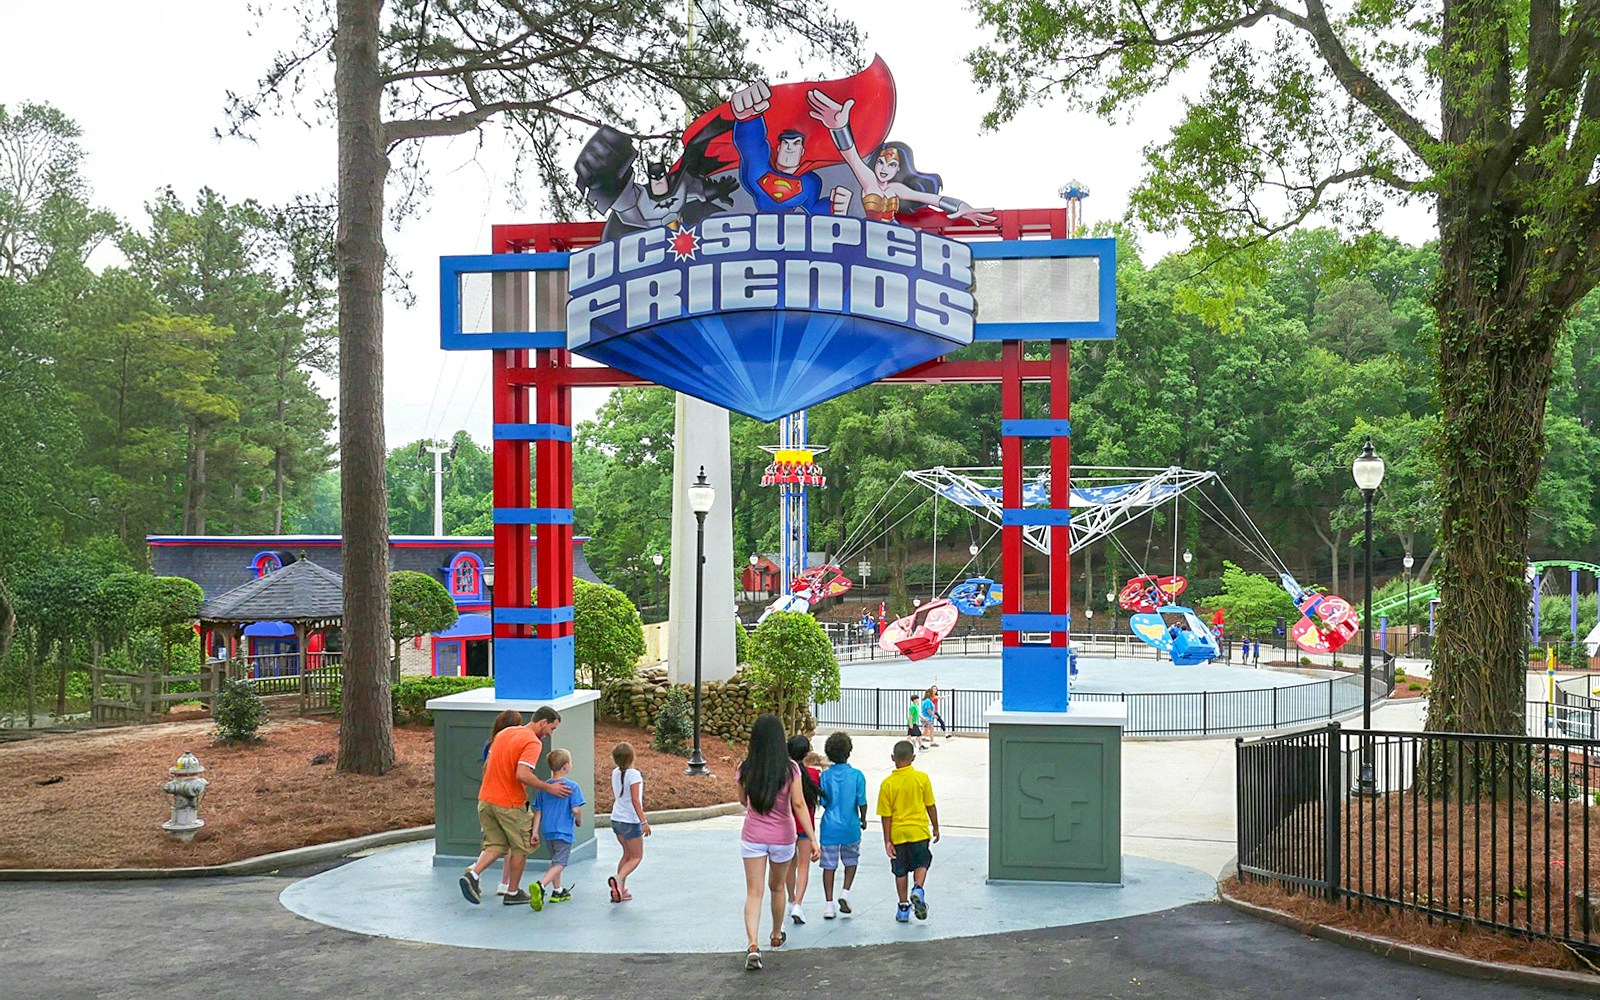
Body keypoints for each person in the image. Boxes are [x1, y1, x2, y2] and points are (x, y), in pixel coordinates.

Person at [459, 706, 570, 907]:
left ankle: (473, 875)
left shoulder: (504, 733)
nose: (550, 734)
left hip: (486, 799)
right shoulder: (532, 742)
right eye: (551, 729)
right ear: (543, 722)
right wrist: (548, 788)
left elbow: (486, 767)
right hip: (510, 803)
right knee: (521, 846)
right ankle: (512, 892)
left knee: (495, 844)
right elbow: (522, 774)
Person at [738, 714, 820, 971]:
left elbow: (743, 801)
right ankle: (775, 935)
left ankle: (753, 945)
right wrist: (813, 839)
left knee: (754, 892)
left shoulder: (745, 767)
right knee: (777, 888)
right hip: (783, 837)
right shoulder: (791, 768)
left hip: (753, 835)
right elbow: (798, 804)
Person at [877, 739, 939, 923]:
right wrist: (935, 826)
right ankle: (918, 889)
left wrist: (887, 840)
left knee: (900, 871)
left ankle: (903, 907)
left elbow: (885, 816)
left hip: (898, 834)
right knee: (922, 862)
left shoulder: (887, 784)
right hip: (919, 831)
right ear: (913, 758)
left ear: (892, 758)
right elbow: (930, 805)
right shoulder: (922, 778)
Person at [817, 731, 868, 919]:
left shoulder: (825, 776)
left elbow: (823, 802)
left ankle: (828, 905)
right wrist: (863, 818)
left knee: (828, 866)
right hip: (850, 825)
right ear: (849, 751)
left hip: (830, 826)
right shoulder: (857, 776)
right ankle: (845, 892)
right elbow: (861, 801)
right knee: (851, 860)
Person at [529, 747, 586, 910]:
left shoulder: (544, 787)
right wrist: (579, 820)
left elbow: (538, 811)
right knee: (561, 863)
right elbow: (576, 810)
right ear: (566, 766)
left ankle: (558, 891)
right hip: (563, 831)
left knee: (554, 861)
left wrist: (534, 832)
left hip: (547, 830)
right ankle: (541, 885)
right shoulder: (572, 786)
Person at [784, 734, 822, 924]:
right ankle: (799, 903)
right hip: (806, 829)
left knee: (789, 865)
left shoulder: (785, 774)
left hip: (787, 826)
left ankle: (790, 899)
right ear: (807, 753)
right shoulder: (814, 775)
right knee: (804, 866)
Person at [608, 742, 650, 902]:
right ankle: (618, 879)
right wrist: (643, 821)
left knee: (626, 853)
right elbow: (635, 800)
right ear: (633, 756)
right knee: (636, 857)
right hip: (630, 822)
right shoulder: (634, 775)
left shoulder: (615, 773)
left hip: (616, 818)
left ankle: (620, 890)